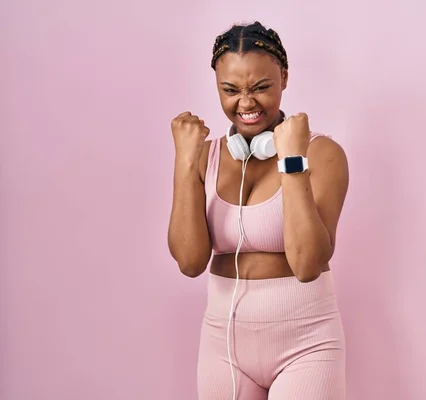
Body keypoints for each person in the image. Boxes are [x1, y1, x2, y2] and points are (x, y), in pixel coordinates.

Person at [167, 21, 349, 400]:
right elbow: (189, 262)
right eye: (231, 90)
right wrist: (185, 165)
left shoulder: (322, 154)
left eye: (261, 88)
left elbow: (307, 264)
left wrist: (293, 160)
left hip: (306, 344)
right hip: (223, 344)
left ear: (283, 76)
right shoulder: (206, 156)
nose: (246, 103)